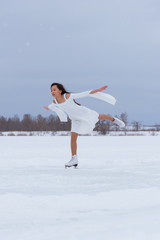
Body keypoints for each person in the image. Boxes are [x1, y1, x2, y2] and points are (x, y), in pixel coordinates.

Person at [44, 83, 125, 168]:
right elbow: (52, 106)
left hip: (83, 113)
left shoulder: (67, 96)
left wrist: (97, 90)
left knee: (99, 117)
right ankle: (74, 159)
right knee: (73, 139)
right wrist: (49, 108)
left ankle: (114, 120)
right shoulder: (55, 101)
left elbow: (84, 94)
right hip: (75, 119)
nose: (52, 92)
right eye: (51, 90)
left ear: (60, 91)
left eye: (54, 89)